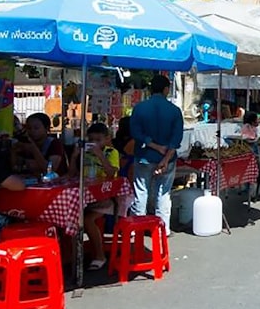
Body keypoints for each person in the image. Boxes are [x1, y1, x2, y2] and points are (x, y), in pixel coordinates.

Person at [130, 75, 183, 236]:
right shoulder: (174, 111)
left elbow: (135, 132)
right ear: (166, 89)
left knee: (141, 192)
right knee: (164, 193)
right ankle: (162, 229)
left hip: (144, 156)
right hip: (167, 160)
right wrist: (165, 158)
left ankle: (137, 227)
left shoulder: (139, 108)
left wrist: (153, 145)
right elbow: (176, 139)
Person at [68, 123, 119, 270]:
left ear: (107, 139)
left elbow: (111, 173)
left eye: (98, 140)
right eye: (91, 140)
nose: (94, 143)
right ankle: (74, 255)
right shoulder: (85, 154)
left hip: (106, 197)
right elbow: (71, 174)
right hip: (86, 197)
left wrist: (100, 154)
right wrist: (74, 156)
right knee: (72, 218)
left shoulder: (111, 152)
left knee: (88, 219)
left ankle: (99, 255)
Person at [11, 112, 67, 176]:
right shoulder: (25, 143)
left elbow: (50, 170)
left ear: (46, 128)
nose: (32, 131)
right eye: (29, 128)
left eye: (36, 128)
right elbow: (15, 167)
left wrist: (33, 149)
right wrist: (13, 151)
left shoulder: (55, 144)